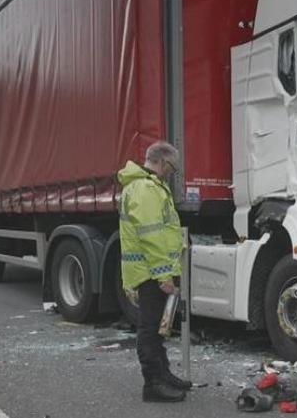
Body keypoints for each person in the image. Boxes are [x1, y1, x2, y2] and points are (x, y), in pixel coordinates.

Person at [117, 141, 192, 402]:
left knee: (159, 330)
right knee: (150, 330)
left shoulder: (147, 186)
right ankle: (153, 385)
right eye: (172, 167)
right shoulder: (146, 189)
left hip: (151, 270)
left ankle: (164, 375)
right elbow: (152, 236)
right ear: (161, 162)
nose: (172, 172)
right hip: (150, 273)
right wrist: (163, 276)